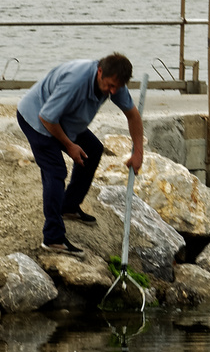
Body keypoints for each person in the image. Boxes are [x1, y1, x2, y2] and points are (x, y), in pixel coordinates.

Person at [15, 52, 144, 251]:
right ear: (99, 71)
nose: (111, 91)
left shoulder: (115, 83)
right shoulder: (76, 81)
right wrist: (69, 145)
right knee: (55, 171)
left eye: (116, 88)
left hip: (63, 119)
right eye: (109, 85)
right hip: (36, 118)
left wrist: (138, 153)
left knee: (93, 149)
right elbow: (47, 117)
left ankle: (69, 207)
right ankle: (53, 238)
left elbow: (133, 116)